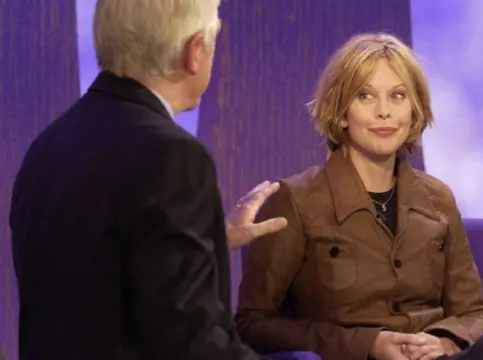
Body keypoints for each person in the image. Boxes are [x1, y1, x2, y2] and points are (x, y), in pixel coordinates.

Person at [235, 33, 483, 360]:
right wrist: (370, 345)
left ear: (414, 112)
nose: (384, 112)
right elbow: (254, 323)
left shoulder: (438, 199)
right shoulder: (295, 200)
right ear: (342, 111)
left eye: (398, 96)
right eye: (365, 96)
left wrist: (442, 342)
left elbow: (476, 312)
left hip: (435, 357)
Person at [9, 1, 286, 359]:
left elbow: (101, 265)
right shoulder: (172, 156)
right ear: (195, 50)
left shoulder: (49, 144)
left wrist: (210, 238)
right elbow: (193, 346)